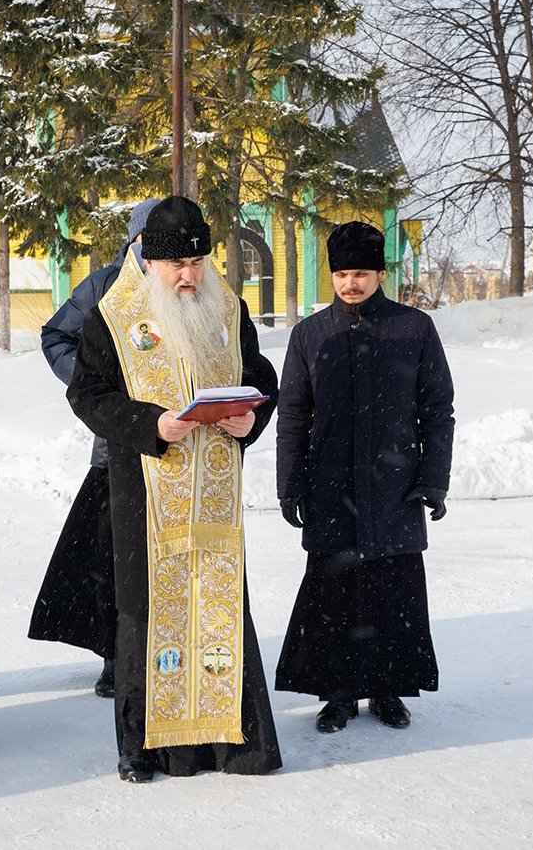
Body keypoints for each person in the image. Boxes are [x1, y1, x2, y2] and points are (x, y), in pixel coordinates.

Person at [67, 196, 281, 783]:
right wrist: (150, 425)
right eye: (176, 267)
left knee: (218, 610)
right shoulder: (112, 317)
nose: (188, 277)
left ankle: (230, 743)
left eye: (197, 263)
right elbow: (87, 396)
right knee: (144, 614)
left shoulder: (228, 309)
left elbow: (259, 375)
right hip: (145, 492)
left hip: (212, 490)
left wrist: (251, 420)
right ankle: (141, 748)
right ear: (151, 262)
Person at [274, 220, 454, 733]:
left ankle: (387, 689)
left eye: (361, 273)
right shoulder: (311, 335)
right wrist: (291, 484)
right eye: (342, 274)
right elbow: (292, 415)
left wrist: (433, 478)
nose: (351, 283)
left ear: (381, 273)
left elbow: (438, 409)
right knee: (334, 593)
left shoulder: (413, 328)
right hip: (331, 484)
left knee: (392, 593)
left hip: (393, 485)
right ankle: (337, 694)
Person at [29, 197, 161, 699]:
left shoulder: (192, 283)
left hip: (178, 448)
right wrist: (94, 386)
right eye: (147, 239)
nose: (155, 251)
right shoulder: (105, 285)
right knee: (114, 557)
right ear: (133, 241)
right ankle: (117, 654)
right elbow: (55, 336)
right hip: (115, 448)